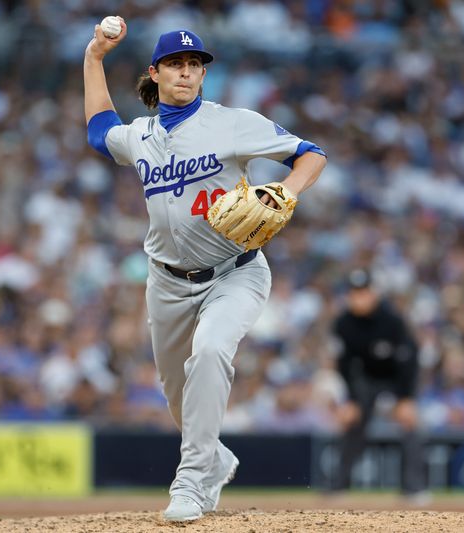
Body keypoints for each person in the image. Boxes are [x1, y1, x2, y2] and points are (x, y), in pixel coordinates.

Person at [83, 20, 327, 521]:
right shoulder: (141, 135)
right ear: (155, 73)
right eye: (176, 64)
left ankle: (191, 483)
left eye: (195, 65)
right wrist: (94, 57)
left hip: (234, 272)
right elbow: (98, 131)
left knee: (212, 352)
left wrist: (287, 192)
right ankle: (213, 459)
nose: (187, 72)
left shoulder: (230, 122)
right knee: (179, 395)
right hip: (167, 283)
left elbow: (310, 154)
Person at [331, 268, 427, 498]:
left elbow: (410, 360)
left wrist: (407, 398)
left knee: (409, 425)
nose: (359, 297)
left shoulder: (392, 320)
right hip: (366, 380)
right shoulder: (343, 323)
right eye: (354, 292)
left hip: (396, 379)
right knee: (353, 425)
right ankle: (337, 486)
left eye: (363, 292)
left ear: (373, 293)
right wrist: (351, 400)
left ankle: (414, 489)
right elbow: (344, 365)